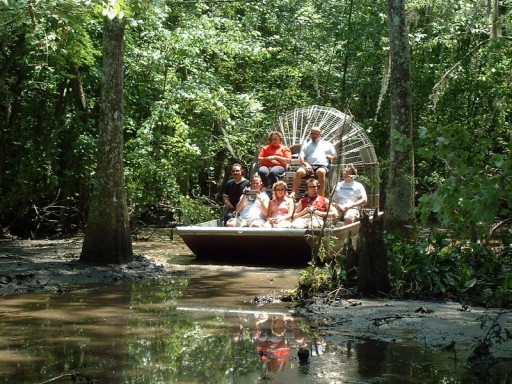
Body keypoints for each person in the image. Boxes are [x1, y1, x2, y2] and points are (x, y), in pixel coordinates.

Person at [290, 126, 336, 199]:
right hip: (308, 165)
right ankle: (293, 193)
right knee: (299, 172)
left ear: (320, 134)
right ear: (310, 134)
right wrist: (307, 165)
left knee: (321, 172)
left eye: (316, 134)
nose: (314, 135)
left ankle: (320, 197)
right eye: (312, 134)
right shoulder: (306, 145)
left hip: (322, 166)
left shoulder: (327, 144)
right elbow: (301, 159)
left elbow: (335, 156)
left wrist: (331, 157)